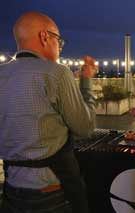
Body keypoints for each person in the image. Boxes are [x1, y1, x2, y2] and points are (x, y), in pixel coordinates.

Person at [0, 12, 97, 213]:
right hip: (52, 192)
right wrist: (86, 82)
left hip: (11, 189)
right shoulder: (57, 73)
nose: (59, 47)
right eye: (58, 40)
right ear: (45, 37)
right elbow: (85, 127)